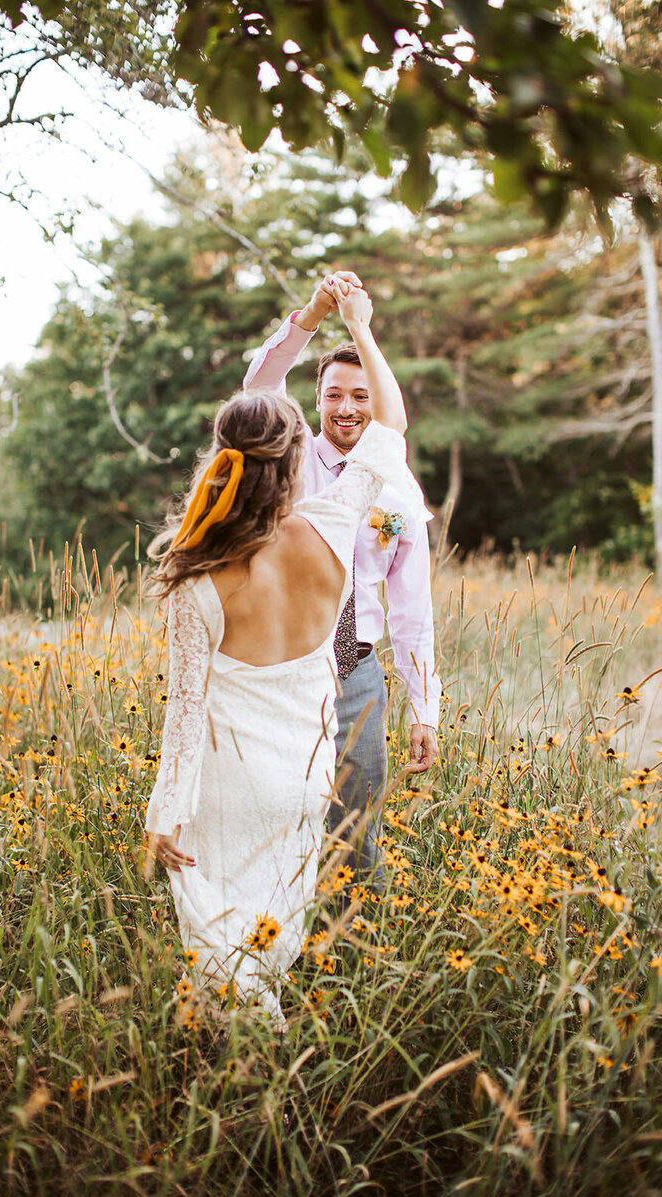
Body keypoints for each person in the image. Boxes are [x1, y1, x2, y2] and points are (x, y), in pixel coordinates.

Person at [143, 284, 419, 1024]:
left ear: (224, 459)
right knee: (273, 934)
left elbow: (187, 706)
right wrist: (359, 326)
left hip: (226, 790)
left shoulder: (197, 571)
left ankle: (240, 1071)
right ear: (298, 458)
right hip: (303, 781)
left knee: (223, 954)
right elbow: (390, 424)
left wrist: (165, 809)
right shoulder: (332, 529)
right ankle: (271, 1068)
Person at [243, 272, 441, 888]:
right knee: (279, 813)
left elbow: (412, 609)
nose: (347, 408)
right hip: (287, 664)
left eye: (361, 395)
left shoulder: (399, 490)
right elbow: (259, 384)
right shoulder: (290, 456)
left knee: (356, 830)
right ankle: (278, 935)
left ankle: (356, 952)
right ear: (318, 399)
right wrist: (313, 313)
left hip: (357, 671)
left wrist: (424, 707)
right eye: (334, 395)